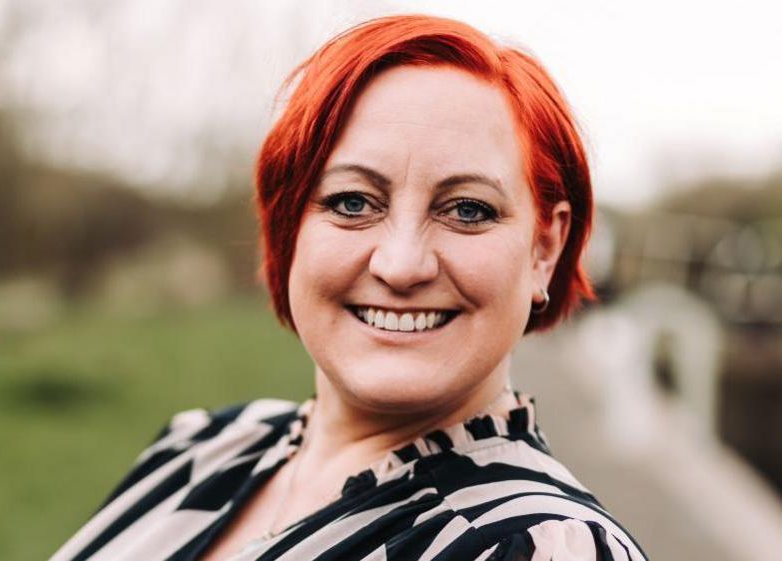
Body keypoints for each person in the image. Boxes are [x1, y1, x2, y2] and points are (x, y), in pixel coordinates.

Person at [50, 14, 648, 561]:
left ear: (545, 249)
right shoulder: (200, 449)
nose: (401, 264)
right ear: (289, 227)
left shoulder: (534, 546)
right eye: (353, 202)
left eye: (467, 210)